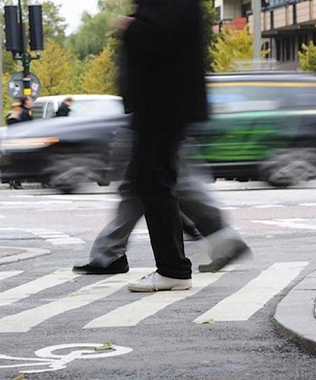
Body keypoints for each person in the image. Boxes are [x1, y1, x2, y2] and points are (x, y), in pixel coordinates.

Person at [115, 0, 208, 292]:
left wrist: (130, 29)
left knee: (152, 181)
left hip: (162, 102)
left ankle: (174, 269)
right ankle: (174, 267)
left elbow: (163, 35)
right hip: (166, 102)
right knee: (154, 180)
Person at [72, 130, 252, 276]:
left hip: (158, 125)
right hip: (149, 124)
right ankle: (108, 254)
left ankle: (110, 255)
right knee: (137, 189)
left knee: (172, 185)